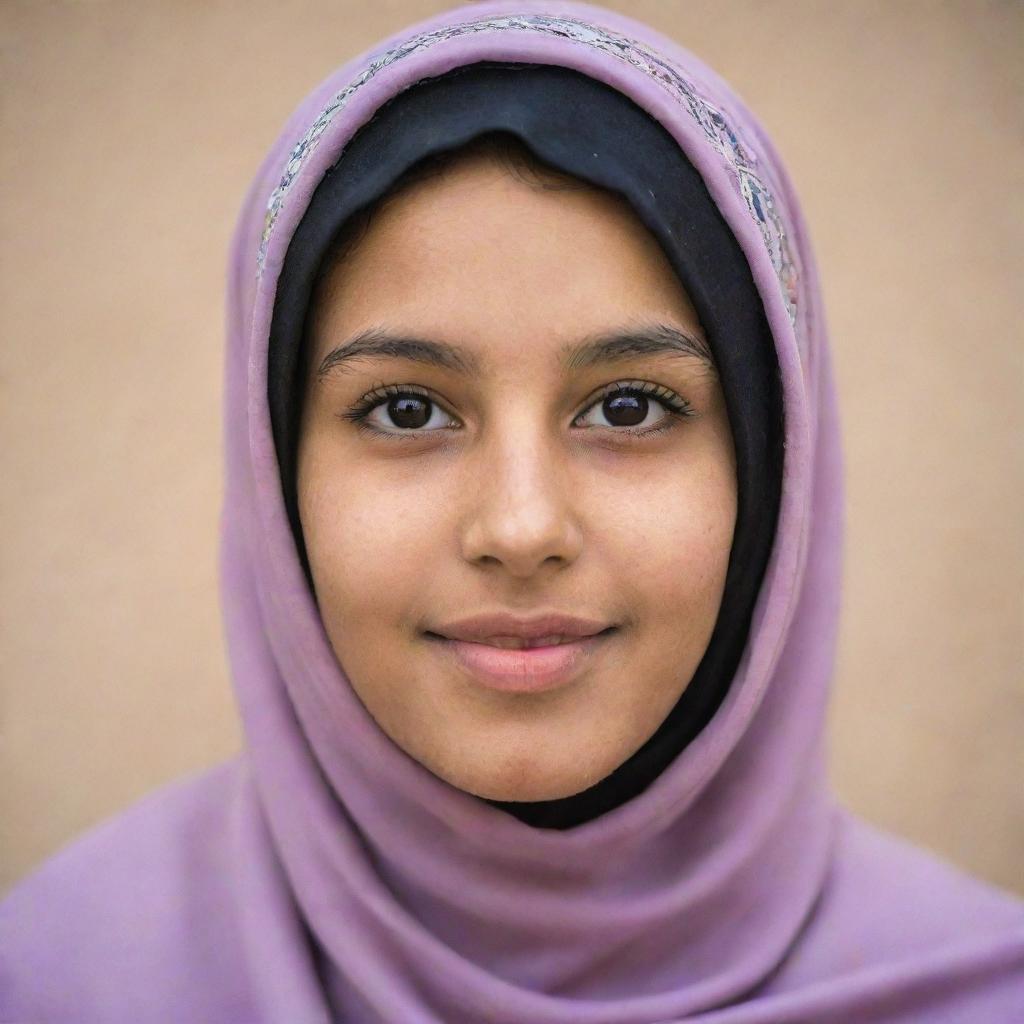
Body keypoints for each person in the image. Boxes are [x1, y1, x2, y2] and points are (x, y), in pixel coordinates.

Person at [2, 1, 1021, 1021]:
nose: (521, 527)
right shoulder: (60, 979)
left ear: (768, 466)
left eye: (629, 406)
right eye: (406, 410)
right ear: (276, 472)